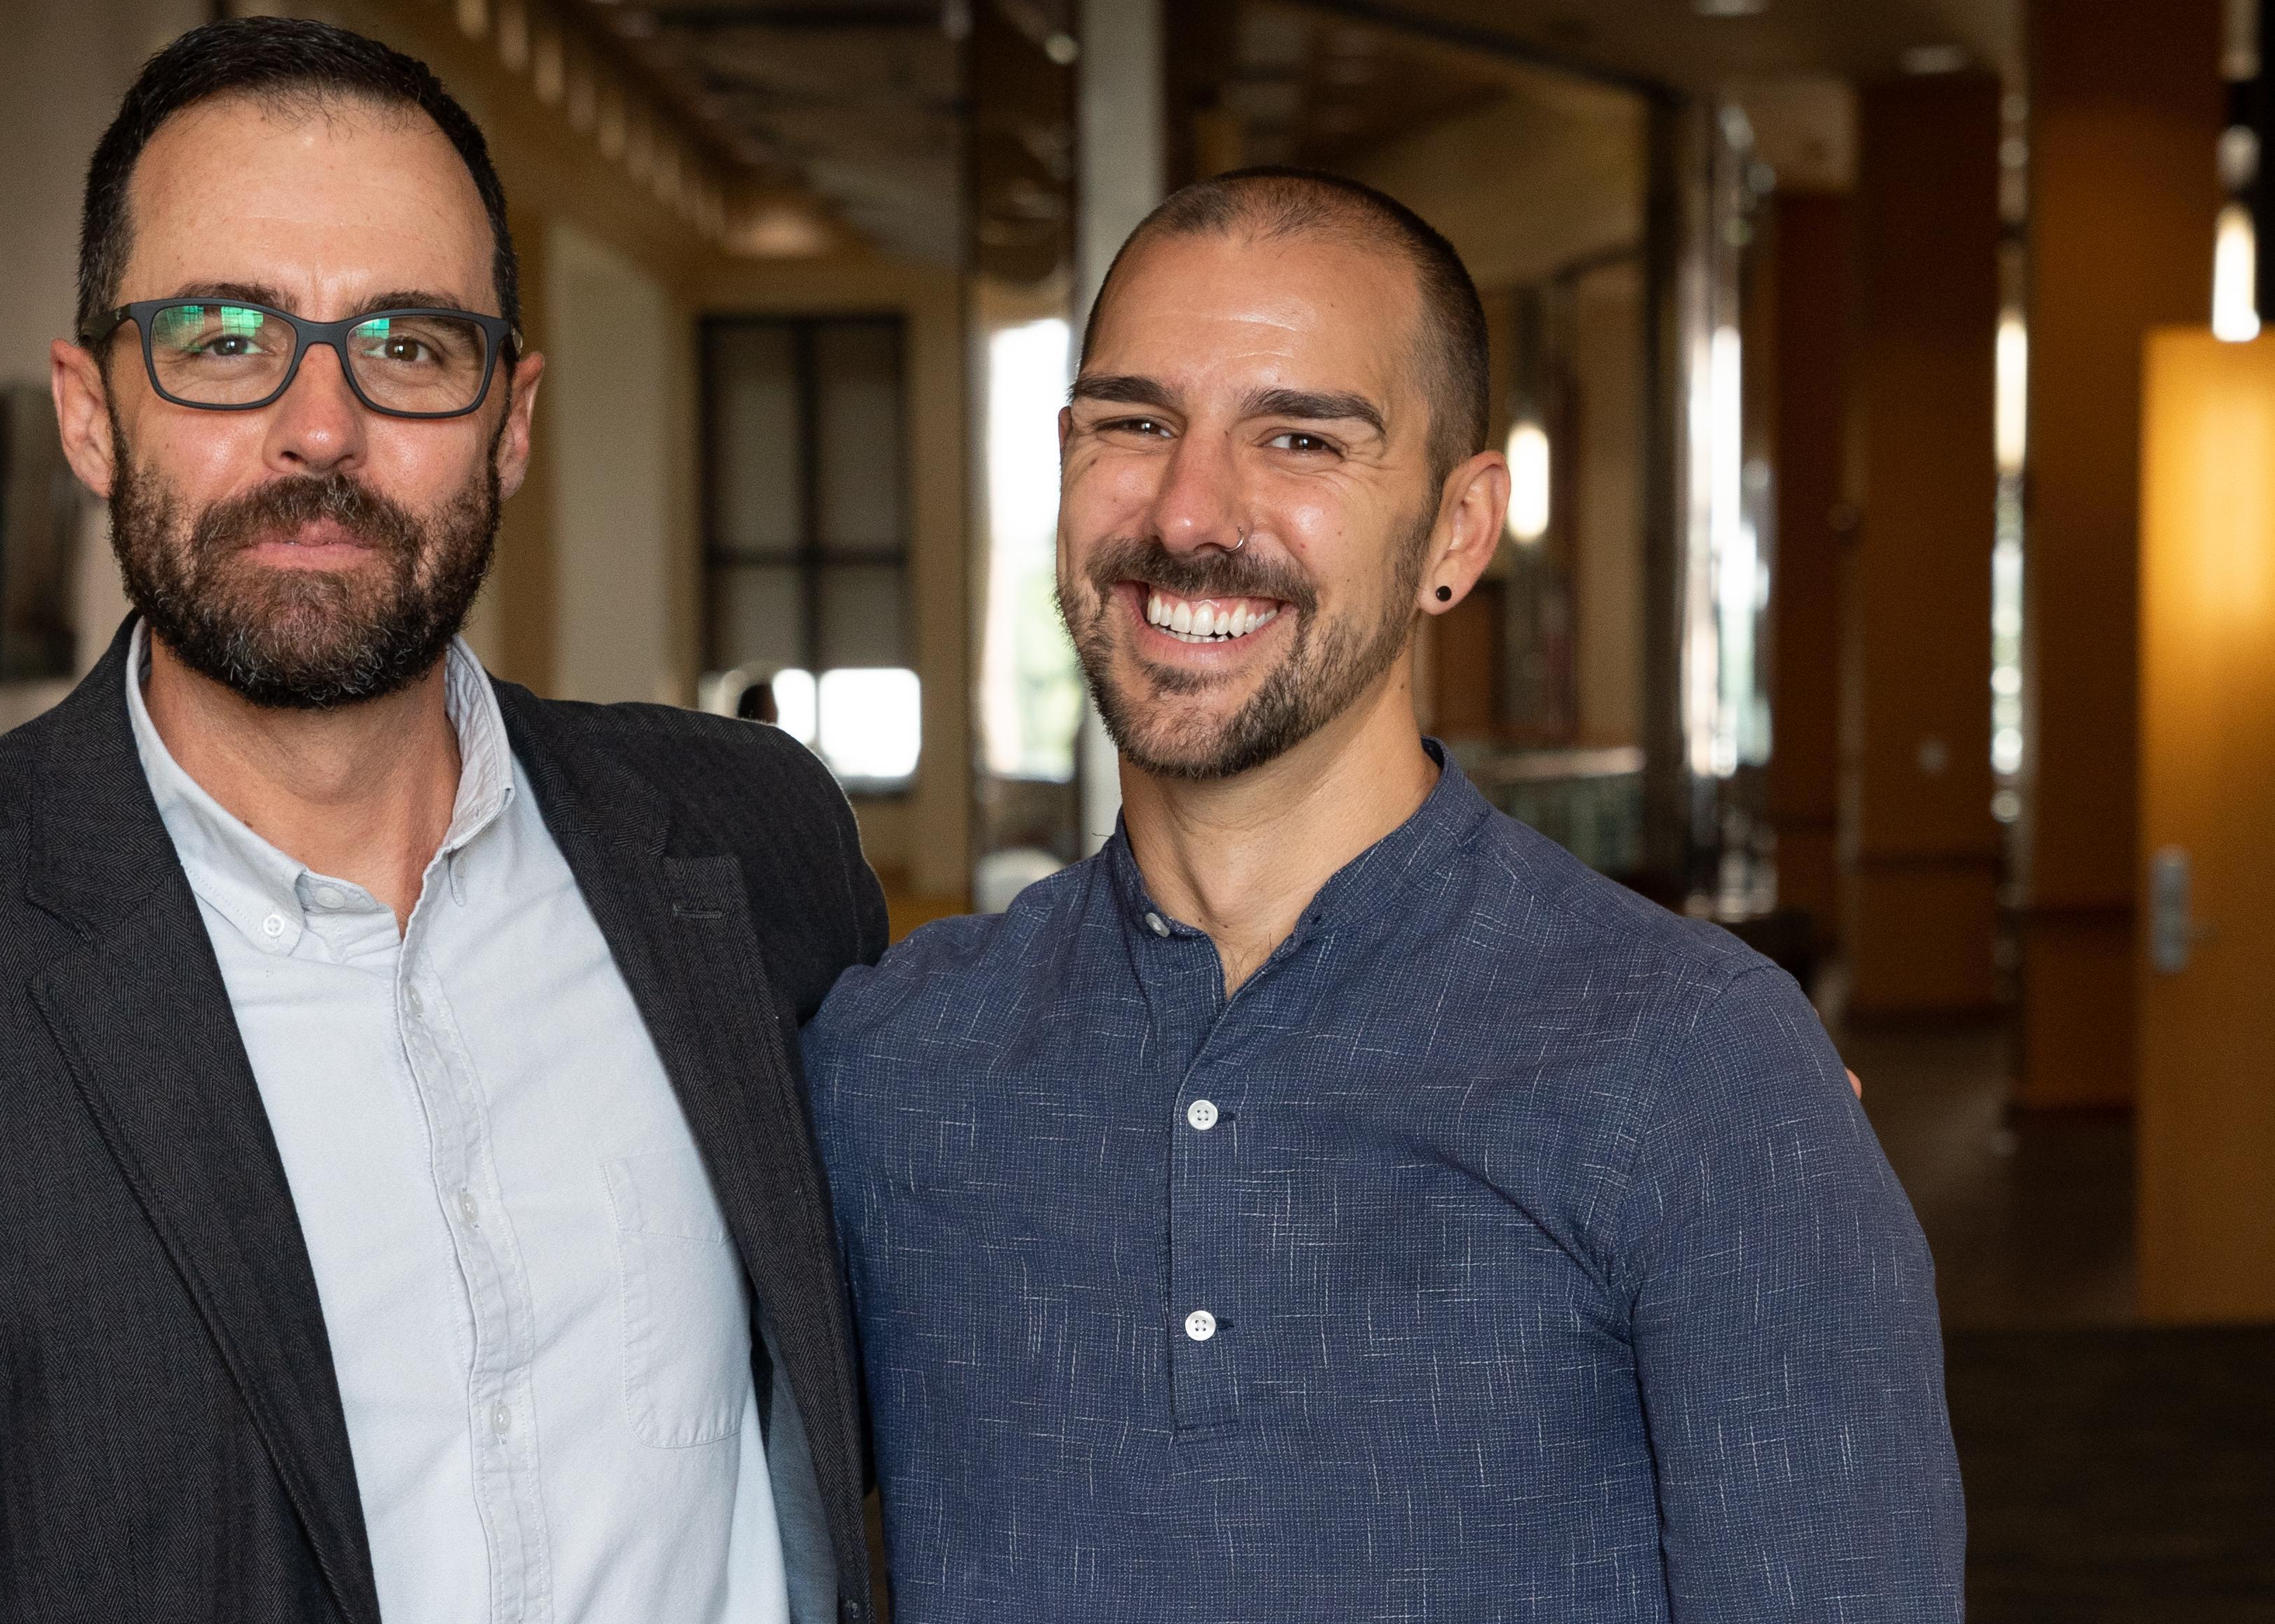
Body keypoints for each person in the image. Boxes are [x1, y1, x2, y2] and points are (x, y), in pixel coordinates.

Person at [0, 17, 883, 1624]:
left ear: (511, 419)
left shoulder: (752, 849)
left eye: (409, 345)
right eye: (220, 337)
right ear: (87, 410)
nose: (319, 428)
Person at [803, 168, 1965, 1621]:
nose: (1189, 510)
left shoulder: (1699, 1065)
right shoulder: (891, 1059)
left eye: (1300, 438)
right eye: (1134, 424)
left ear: (1458, 531)